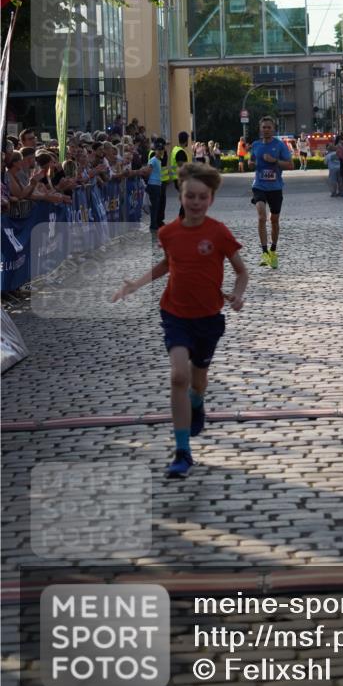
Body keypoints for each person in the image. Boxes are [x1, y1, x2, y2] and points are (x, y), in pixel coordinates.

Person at [112, 163, 248, 479]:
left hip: (209, 318)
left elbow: (241, 271)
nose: (196, 202)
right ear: (181, 196)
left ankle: (198, 401)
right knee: (178, 377)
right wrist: (136, 284)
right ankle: (182, 451)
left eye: (202, 197)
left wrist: (238, 295)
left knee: (198, 381)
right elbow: (166, 264)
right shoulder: (168, 232)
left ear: (211, 199)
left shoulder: (219, 232)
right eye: (190, 196)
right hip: (174, 314)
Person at [248, 116, 294, 268]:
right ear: (260, 129)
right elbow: (252, 161)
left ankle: (273, 250)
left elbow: (290, 165)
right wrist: (251, 163)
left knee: (274, 220)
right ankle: (264, 252)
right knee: (261, 216)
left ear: (273, 129)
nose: (266, 129)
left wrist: (274, 161)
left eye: (269, 127)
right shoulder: (255, 145)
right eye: (264, 127)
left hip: (275, 187)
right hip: (259, 185)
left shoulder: (280, 146)